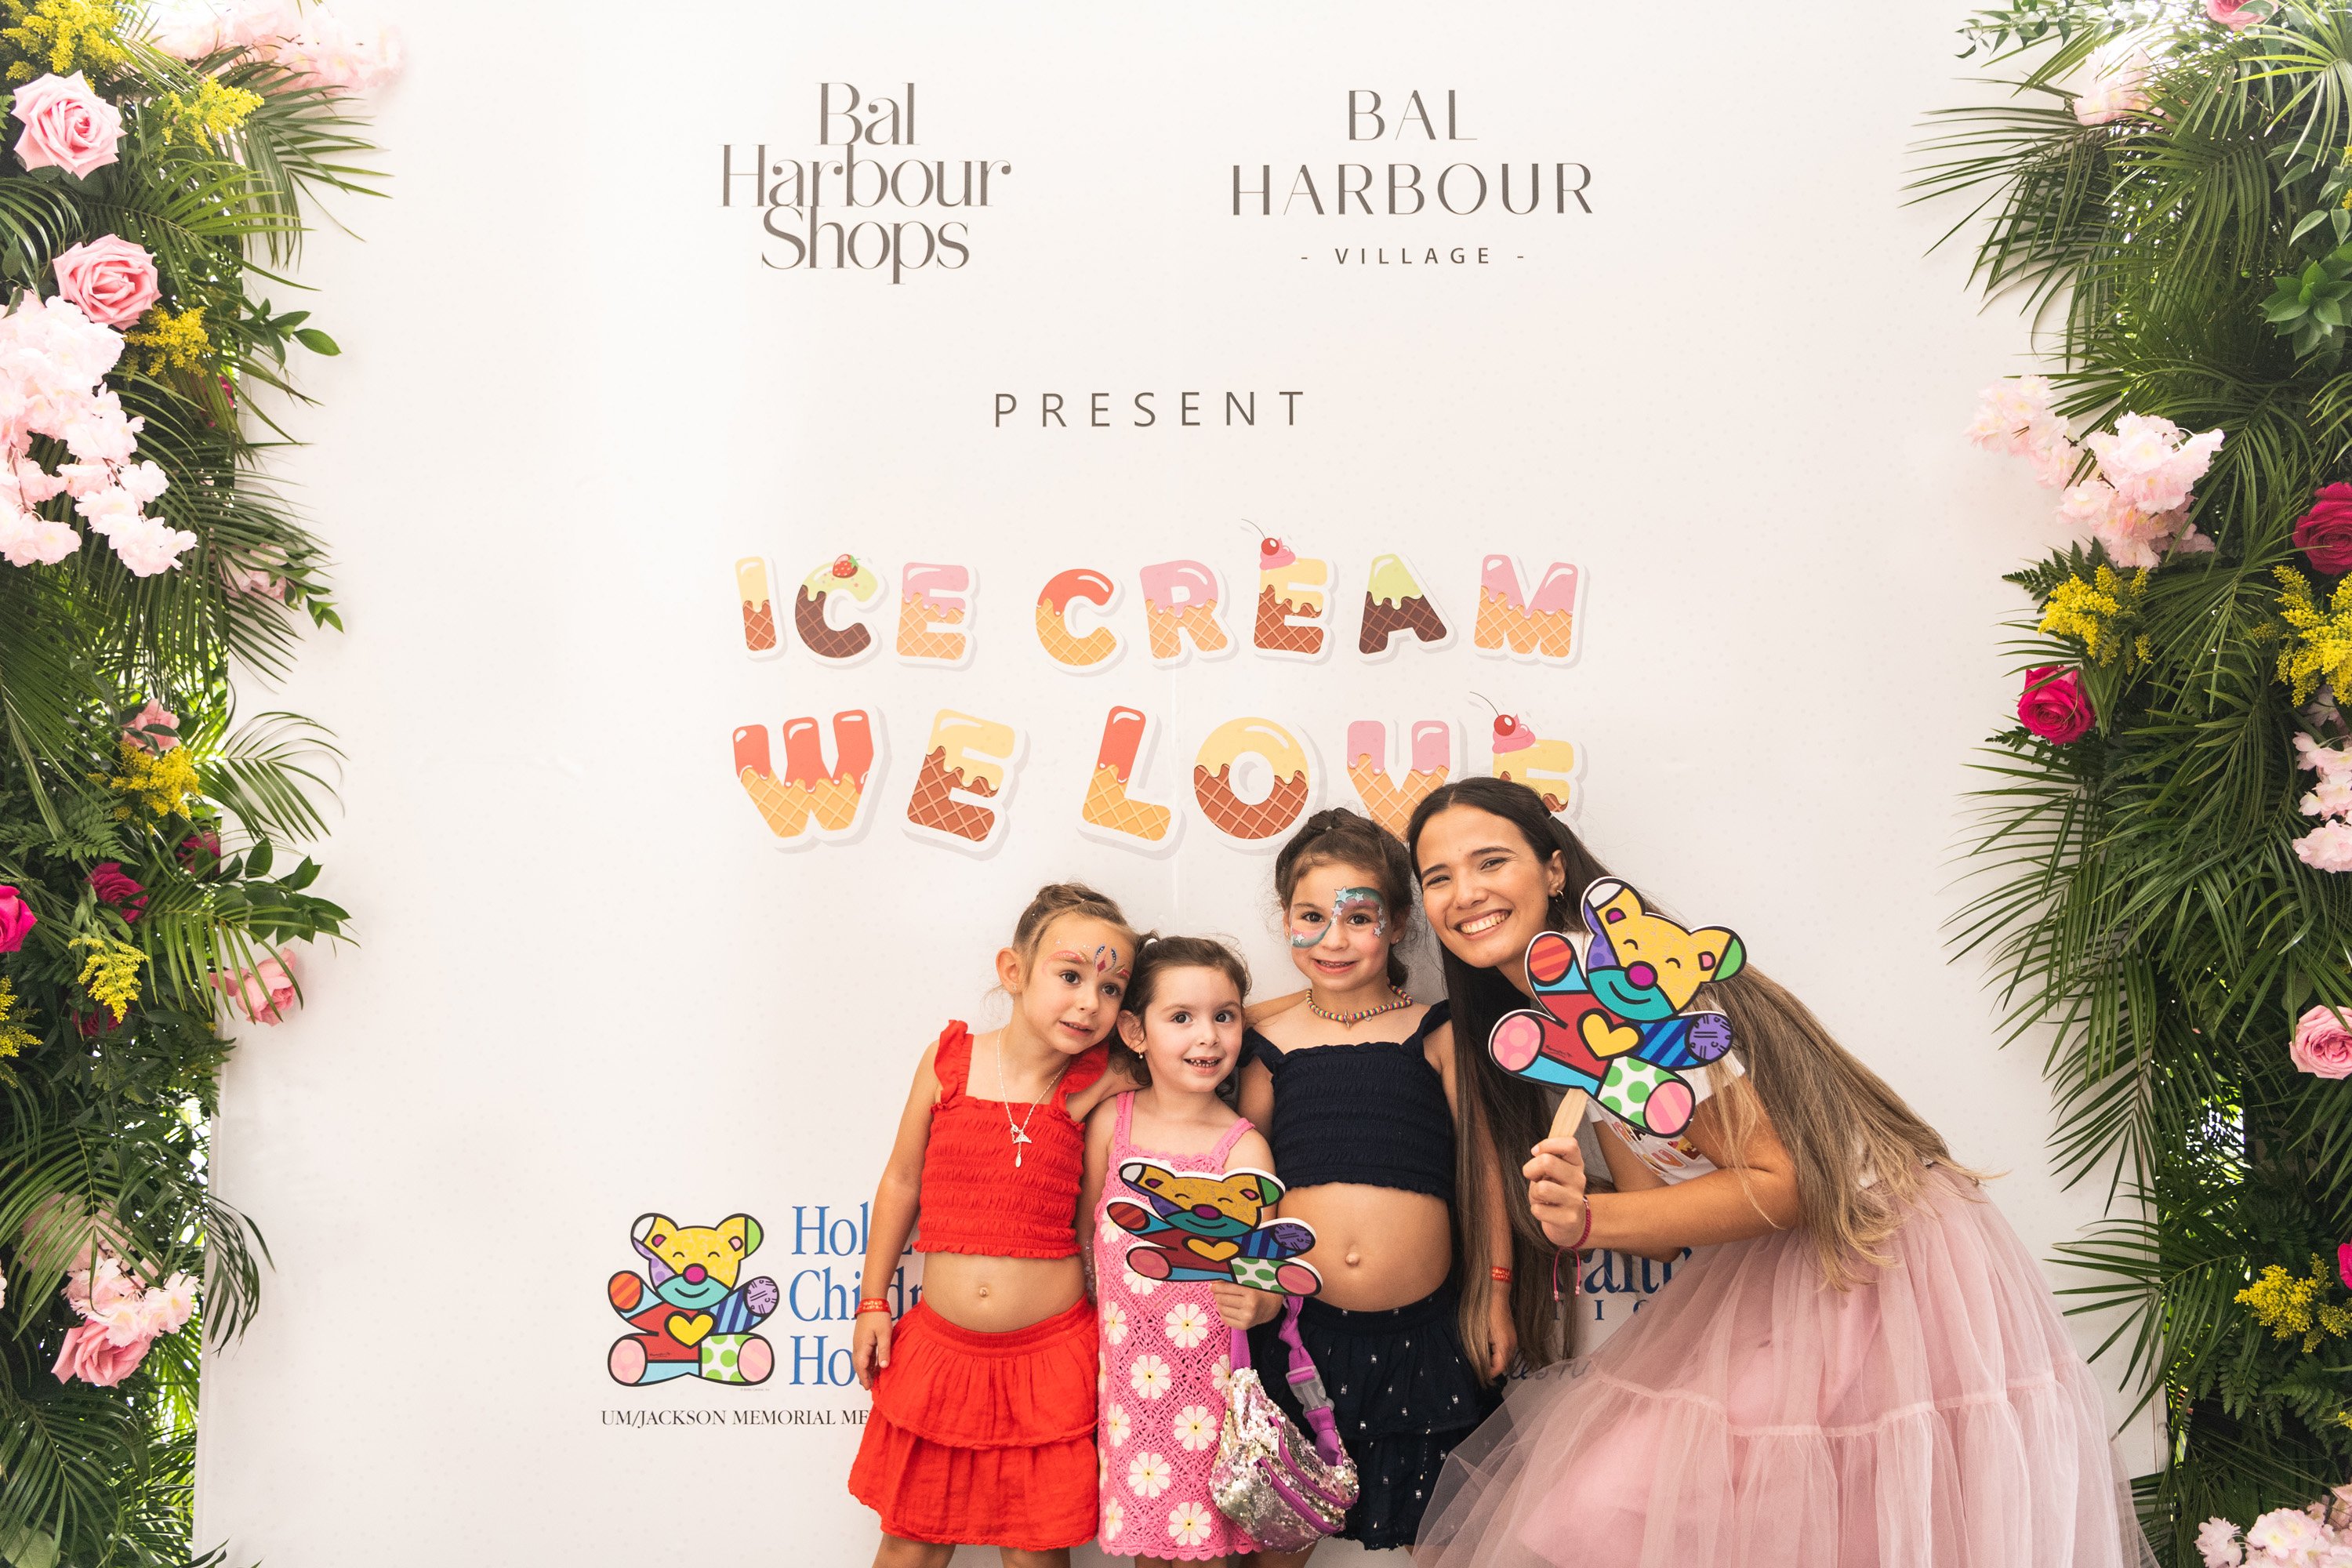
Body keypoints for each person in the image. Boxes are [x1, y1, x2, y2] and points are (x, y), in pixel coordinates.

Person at [1403, 777, 2156, 1568]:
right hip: (1794, 1253)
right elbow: (1658, 1217)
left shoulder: (1638, 987)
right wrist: (1578, 1199)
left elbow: (1786, 1181)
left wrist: (1588, 1223)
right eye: (1439, 876)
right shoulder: (1570, 1025)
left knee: (1625, 1504)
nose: (1467, 892)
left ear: (1554, 870)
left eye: (1491, 860)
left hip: (1878, 1253)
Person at [1234, 808, 1557, 1561]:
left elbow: (1482, 1172)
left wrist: (1497, 1293)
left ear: (1401, 921)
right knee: (1276, 1543)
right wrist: (1252, 1287)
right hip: (1298, 1339)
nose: (1334, 939)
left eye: (1358, 916)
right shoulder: (1267, 1048)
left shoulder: (1437, 1032)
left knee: (1454, 1538)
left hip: (1425, 1340)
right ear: (1286, 920)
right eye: (1311, 917)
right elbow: (1246, 1188)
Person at [848, 883, 1142, 1568]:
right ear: (1013, 972)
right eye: (1070, 975)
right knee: (910, 1541)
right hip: (941, 1353)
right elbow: (900, 1181)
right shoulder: (949, 1060)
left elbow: (1202, 1023)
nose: (1088, 1002)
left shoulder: (1102, 1078)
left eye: (1111, 988)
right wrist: (872, 1301)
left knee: (1035, 1552)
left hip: (1050, 1359)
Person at [1081, 935, 1280, 1566]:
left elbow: (1267, 1283)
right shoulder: (1113, 1123)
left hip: (1207, 1400)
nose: (1209, 1037)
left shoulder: (1244, 1150)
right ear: (1136, 1031)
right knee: (1150, 1552)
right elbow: (1086, 1237)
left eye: (1225, 1016)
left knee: (1204, 1554)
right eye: (1182, 1018)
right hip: (1125, 1394)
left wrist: (1260, 1304)